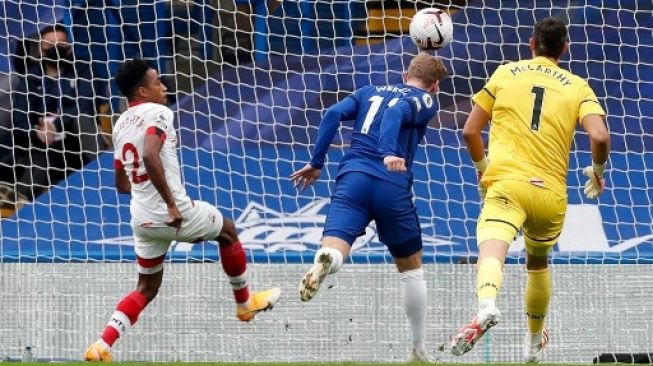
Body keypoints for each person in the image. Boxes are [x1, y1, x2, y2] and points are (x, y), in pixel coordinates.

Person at [84, 59, 281, 362]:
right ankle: (244, 305)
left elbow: (122, 184)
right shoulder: (159, 112)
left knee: (146, 287)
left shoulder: (121, 123)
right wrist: (172, 204)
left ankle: (101, 345)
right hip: (173, 212)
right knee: (228, 231)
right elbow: (150, 154)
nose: (164, 87)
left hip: (142, 218)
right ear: (142, 90)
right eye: (157, 82)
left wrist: (146, 194)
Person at [449, 17, 610, 362]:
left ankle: (487, 305)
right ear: (564, 48)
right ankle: (534, 343)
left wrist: (482, 171)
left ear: (530, 44)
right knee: (537, 262)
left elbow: (469, 131)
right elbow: (600, 137)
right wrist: (597, 171)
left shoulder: (506, 74)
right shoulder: (579, 86)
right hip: (549, 195)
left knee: (493, 247)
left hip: (507, 183)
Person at [291, 53, 448, 362]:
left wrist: (316, 161)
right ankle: (417, 351)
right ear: (435, 86)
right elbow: (396, 114)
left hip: (353, 179)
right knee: (411, 268)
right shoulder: (426, 100)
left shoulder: (367, 92)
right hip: (391, 181)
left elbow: (333, 113)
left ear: (405, 74)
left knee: (336, 247)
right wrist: (389, 152)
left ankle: (327, 259)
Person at [0, 24, 104, 205]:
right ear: (40, 49)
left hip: (77, 141)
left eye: (61, 44)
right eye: (50, 45)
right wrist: (37, 133)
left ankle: (108, 172)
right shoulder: (30, 79)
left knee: (82, 120)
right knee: (41, 154)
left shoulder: (84, 71)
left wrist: (55, 125)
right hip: (45, 145)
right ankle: (15, 201)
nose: (55, 49)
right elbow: (19, 118)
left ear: (69, 47)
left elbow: (84, 107)